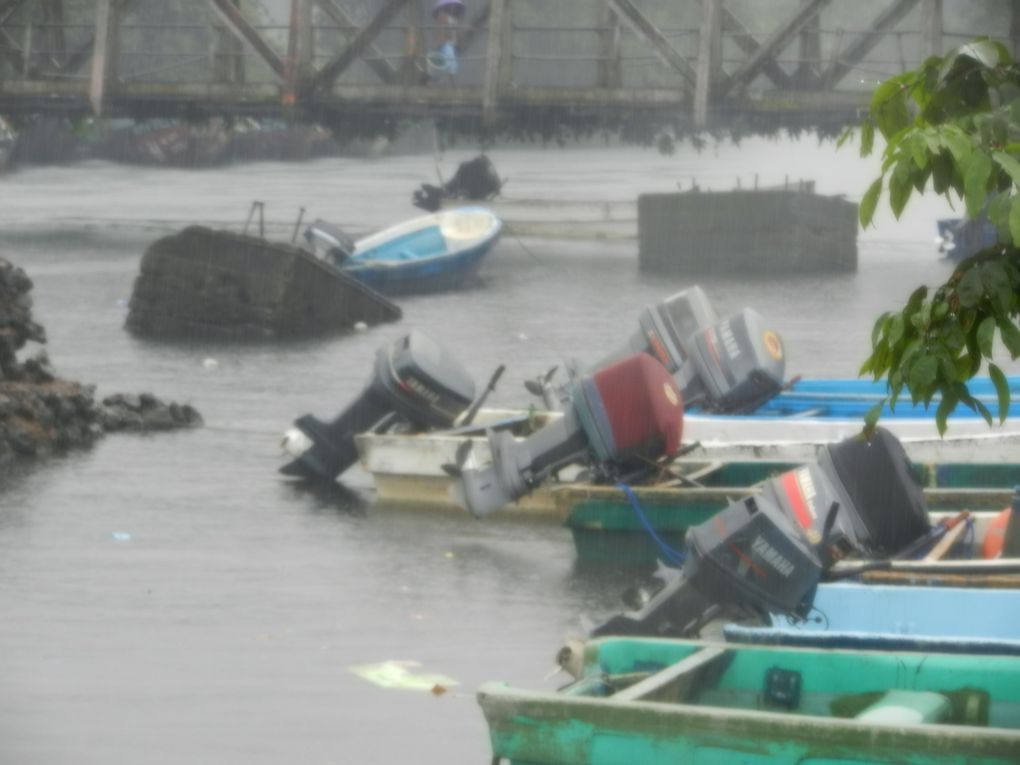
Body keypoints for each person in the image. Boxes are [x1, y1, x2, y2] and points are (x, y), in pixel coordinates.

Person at [430, 0, 465, 81]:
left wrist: (460, 41)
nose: (453, 7)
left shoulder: (456, 18)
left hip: (454, 42)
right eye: (451, 5)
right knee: (450, 60)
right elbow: (439, 30)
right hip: (445, 42)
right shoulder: (442, 16)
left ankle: (446, 78)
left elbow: (458, 31)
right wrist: (437, 42)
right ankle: (451, 78)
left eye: (454, 6)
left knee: (447, 60)